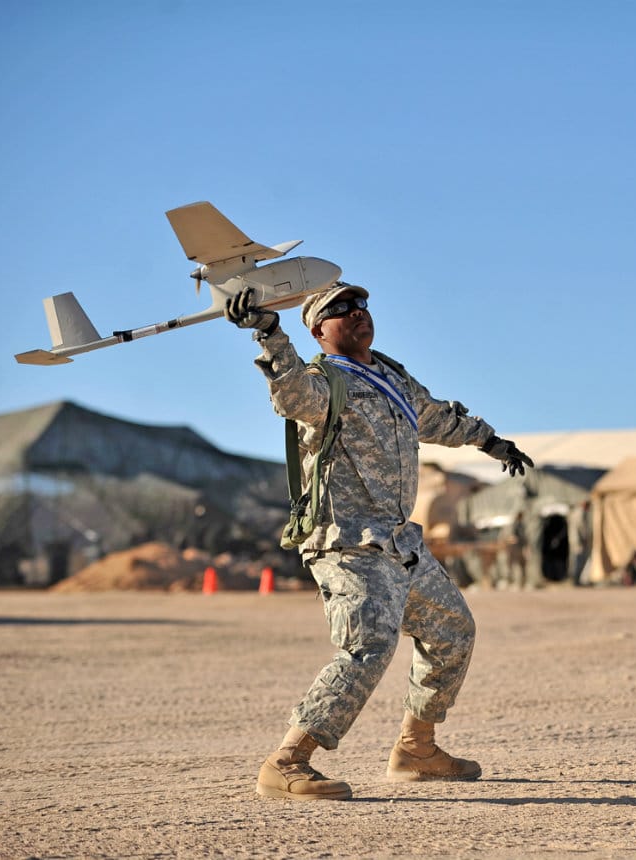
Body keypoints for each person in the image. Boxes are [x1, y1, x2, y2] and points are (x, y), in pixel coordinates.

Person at [225, 282, 534, 801]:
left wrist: (489, 440)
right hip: (346, 541)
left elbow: (435, 417)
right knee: (368, 645)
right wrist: (269, 333)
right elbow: (292, 394)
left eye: (362, 305)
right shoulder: (324, 382)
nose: (357, 313)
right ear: (318, 330)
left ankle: (417, 749)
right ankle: (286, 760)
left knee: (452, 631)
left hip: (397, 542)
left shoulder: (390, 376)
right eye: (340, 310)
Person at [499, 511, 528, 590]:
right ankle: (515, 582)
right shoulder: (515, 525)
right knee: (514, 566)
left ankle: (520, 583)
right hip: (514, 548)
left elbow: (521, 537)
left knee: (519, 566)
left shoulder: (520, 525)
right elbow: (511, 538)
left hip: (518, 548)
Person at [568, 499, 593, 586]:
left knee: (580, 561)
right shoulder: (579, 513)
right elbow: (581, 527)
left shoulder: (581, 512)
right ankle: (575, 580)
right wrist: (585, 538)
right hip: (578, 541)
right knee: (578, 561)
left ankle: (577, 580)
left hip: (578, 541)